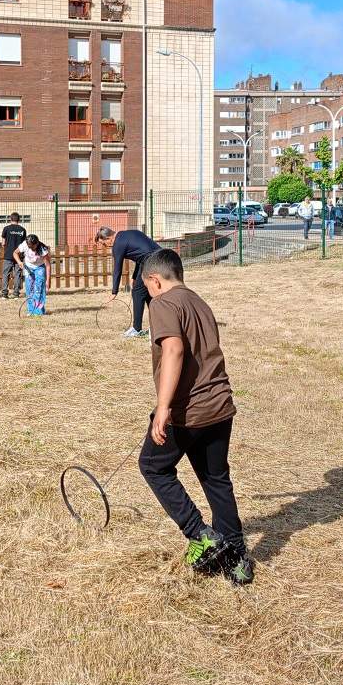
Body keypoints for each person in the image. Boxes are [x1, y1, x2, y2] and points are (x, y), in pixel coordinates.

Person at [135, 248, 252, 586]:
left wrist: (163, 406)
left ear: (155, 281)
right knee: (216, 478)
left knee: (153, 466)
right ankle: (237, 558)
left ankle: (200, 533)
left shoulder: (163, 304)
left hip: (191, 411)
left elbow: (173, 349)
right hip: (221, 406)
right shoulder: (199, 301)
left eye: (148, 287)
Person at [95, 225, 161, 339]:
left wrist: (114, 292)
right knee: (147, 293)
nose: (105, 246)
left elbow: (117, 269)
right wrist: (135, 277)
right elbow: (140, 255)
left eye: (103, 244)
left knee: (138, 292)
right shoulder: (128, 234)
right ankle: (156, 327)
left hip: (151, 261)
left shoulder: (117, 244)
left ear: (108, 238)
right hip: (162, 257)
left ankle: (136, 329)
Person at [14, 233, 51, 316]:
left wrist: (48, 281)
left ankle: (38, 311)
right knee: (29, 290)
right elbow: (15, 253)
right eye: (29, 246)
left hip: (39, 268)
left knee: (39, 289)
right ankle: (30, 311)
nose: (30, 248)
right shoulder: (24, 245)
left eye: (32, 246)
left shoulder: (43, 249)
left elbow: (48, 265)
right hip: (28, 267)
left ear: (37, 244)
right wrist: (19, 262)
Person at [0, 212, 27, 299]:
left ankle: (4, 294)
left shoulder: (6, 229)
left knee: (5, 274)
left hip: (8, 255)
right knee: (18, 274)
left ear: (10, 219)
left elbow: (3, 243)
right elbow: (24, 244)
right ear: (19, 219)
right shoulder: (23, 230)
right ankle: (16, 293)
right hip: (19, 256)